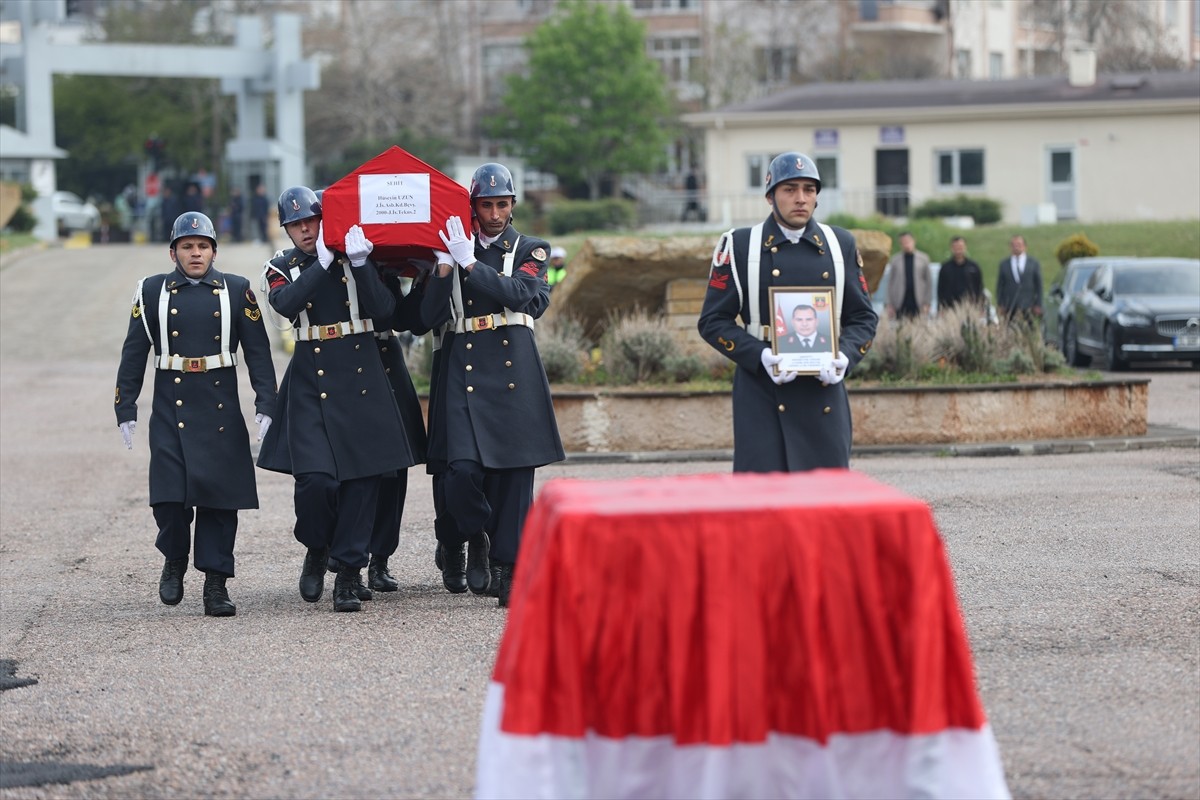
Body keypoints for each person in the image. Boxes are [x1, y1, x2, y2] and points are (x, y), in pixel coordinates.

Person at [256, 186, 416, 613]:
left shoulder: (358, 257)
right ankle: (316, 544)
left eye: (311, 220)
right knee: (315, 481)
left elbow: (386, 312)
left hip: (362, 370)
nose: (305, 230)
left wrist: (360, 263)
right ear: (286, 229)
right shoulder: (282, 266)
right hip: (312, 374)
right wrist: (323, 264)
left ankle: (349, 572)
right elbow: (286, 304)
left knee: (363, 481)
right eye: (296, 224)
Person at [114, 211, 277, 617]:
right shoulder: (151, 292)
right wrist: (125, 405)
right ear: (173, 253)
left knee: (220, 502)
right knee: (168, 499)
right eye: (187, 247)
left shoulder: (236, 290)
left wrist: (266, 402)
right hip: (171, 406)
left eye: (203, 246)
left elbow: (258, 353)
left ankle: (216, 584)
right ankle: (174, 559)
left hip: (219, 406)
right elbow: (135, 352)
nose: (196, 253)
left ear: (214, 252)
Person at [418, 162, 565, 607]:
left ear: (513, 206)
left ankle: (510, 566)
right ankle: (469, 533)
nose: (495, 214)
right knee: (460, 472)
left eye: (503, 204)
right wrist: (445, 269)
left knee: (514, 479)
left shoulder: (530, 249)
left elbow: (525, 297)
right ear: (473, 207)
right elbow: (425, 319)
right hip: (463, 367)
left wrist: (469, 263)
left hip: (513, 371)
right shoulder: (451, 249)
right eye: (487, 205)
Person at [697, 151, 878, 472]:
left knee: (826, 501)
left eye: (809, 190)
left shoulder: (841, 243)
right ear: (770, 196)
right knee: (764, 503)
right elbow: (713, 321)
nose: (800, 198)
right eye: (790, 189)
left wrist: (846, 357)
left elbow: (863, 317)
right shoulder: (740, 245)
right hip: (762, 391)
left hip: (823, 390)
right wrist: (760, 356)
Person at [884, 231, 932, 321]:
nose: (906, 244)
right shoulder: (895, 260)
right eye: (903, 242)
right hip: (900, 301)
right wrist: (889, 304)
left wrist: (927, 303)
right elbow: (890, 283)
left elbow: (928, 283)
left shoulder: (924, 259)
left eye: (908, 241)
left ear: (913, 241)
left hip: (918, 301)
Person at [996, 234, 1044, 322]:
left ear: (1025, 246)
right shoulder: (1004, 264)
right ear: (1010, 247)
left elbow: (1039, 285)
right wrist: (1000, 304)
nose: (1016, 247)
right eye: (1014, 245)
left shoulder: (1033, 263)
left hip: (1029, 306)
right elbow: (1000, 286)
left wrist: (1038, 304)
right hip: (1010, 306)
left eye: (1019, 244)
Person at [936, 235, 984, 313]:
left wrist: (981, 306)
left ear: (965, 247)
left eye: (960, 246)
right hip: (950, 308)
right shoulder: (945, 268)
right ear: (951, 248)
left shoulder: (973, 267)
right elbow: (940, 290)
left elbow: (979, 288)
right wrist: (941, 308)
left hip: (970, 308)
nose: (958, 249)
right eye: (955, 247)